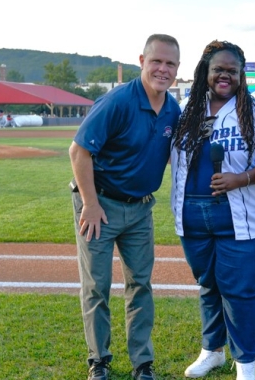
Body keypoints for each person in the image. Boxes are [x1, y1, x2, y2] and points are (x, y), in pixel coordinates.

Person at [69, 33, 181, 380]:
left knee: (140, 285)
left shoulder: (173, 108)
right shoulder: (118, 100)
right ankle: (99, 361)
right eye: (157, 61)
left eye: (171, 63)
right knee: (97, 287)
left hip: (140, 209)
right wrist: (89, 203)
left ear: (178, 68)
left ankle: (142, 363)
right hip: (99, 205)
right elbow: (79, 151)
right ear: (142, 61)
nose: (163, 69)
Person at [170, 40, 255, 380]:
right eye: (218, 69)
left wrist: (241, 179)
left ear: (241, 75)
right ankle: (212, 351)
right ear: (206, 71)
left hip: (243, 216)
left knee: (241, 291)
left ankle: (246, 364)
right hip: (192, 215)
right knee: (209, 285)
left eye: (233, 70)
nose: (225, 75)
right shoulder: (187, 110)